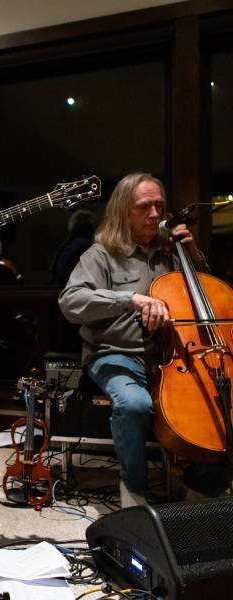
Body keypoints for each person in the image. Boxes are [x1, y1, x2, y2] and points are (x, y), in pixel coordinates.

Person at [58, 172, 211, 507]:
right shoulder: (100, 255)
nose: (155, 214)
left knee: (211, 397)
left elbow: (207, 301)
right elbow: (70, 302)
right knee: (134, 404)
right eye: (145, 206)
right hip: (114, 354)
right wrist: (130, 299)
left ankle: (204, 483)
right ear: (123, 212)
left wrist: (193, 255)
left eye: (159, 205)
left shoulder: (171, 253)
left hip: (171, 356)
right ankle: (134, 489)